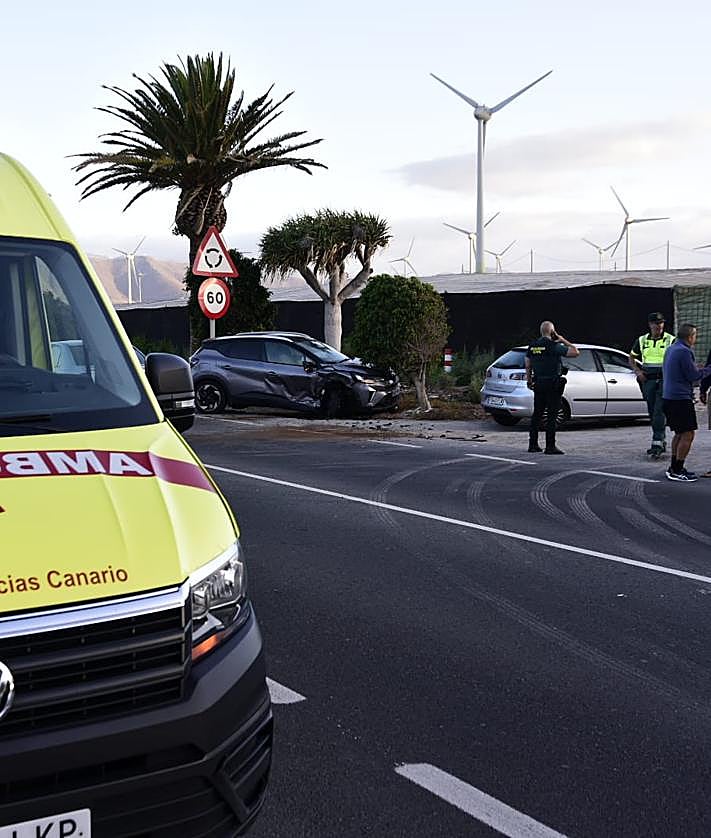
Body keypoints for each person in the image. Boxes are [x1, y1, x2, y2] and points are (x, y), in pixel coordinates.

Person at [661, 323, 711, 482]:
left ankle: (674, 466)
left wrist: (698, 369)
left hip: (669, 397)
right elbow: (693, 376)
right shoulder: (684, 351)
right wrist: (707, 370)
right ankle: (677, 469)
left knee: (679, 433)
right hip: (680, 398)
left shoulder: (672, 348)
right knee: (688, 433)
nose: (695, 339)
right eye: (695, 336)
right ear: (690, 336)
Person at [525, 321, 580, 455]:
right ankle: (550, 446)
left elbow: (527, 364)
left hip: (538, 384)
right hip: (552, 384)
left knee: (537, 414)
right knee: (551, 415)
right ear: (552, 332)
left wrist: (529, 380)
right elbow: (575, 352)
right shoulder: (553, 346)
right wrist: (562, 339)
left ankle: (533, 444)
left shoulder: (532, 346)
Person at [629, 312, 675, 460]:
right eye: (655, 323)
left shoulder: (670, 340)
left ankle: (657, 443)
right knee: (652, 410)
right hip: (648, 380)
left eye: (661, 323)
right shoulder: (642, 340)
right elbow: (632, 357)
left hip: (664, 380)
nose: (658, 326)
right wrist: (637, 371)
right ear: (650, 324)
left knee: (658, 411)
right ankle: (661, 439)